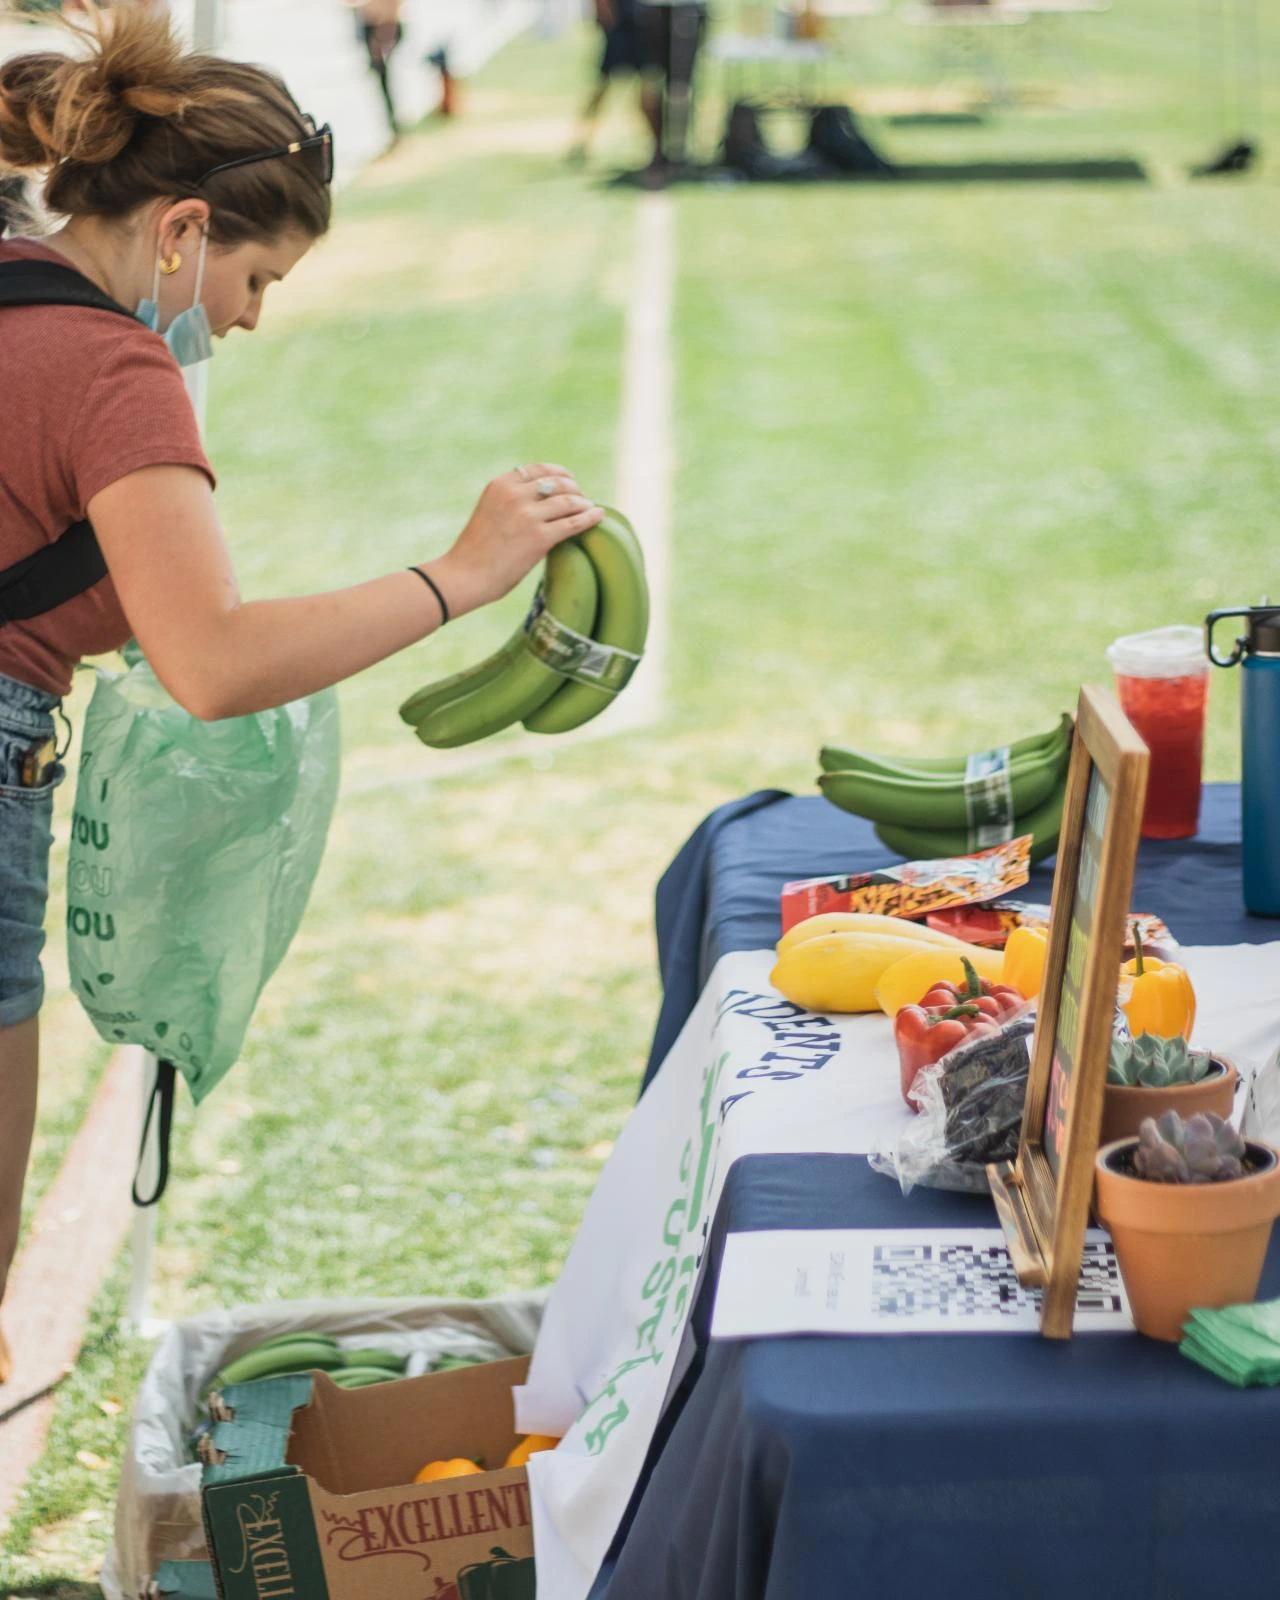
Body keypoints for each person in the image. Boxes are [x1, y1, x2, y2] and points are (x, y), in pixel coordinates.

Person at [0, 5, 605, 1380]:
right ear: (184, 228)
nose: (253, 320)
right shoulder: (117, 368)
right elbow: (211, 663)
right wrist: (462, 574)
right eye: (258, 278)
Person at [635, 0, 709, 184]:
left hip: (685, 12)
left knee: (680, 89)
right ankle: (658, 148)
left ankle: (679, 150)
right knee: (652, 84)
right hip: (652, 14)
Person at [568, 0, 641, 167]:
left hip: (641, 21)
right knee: (602, 88)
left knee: (648, 88)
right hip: (621, 24)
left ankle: (656, 147)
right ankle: (581, 140)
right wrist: (605, 14)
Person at [349, 0, 404, 142]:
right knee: (382, 82)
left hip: (382, 28)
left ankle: (395, 127)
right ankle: (392, 128)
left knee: (386, 81)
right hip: (373, 27)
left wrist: (383, 33)